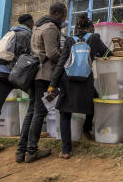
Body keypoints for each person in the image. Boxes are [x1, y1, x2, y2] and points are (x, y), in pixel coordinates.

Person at [47, 13, 110, 159]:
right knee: (94, 99)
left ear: (76, 29)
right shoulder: (94, 38)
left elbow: (61, 63)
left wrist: (52, 85)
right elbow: (108, 52)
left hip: (67, 80)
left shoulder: (70, 40)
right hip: (85, 81)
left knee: (65, 113)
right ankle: (86, 129)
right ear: (90, 28)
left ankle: (66, 150)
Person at [18, 1, 66, 163]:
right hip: (43, 75)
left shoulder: (38, 26)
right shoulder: (51, 27)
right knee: (39, 112)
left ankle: (21, 151)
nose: (63, 19)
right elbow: (52, 54)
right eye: (64, 16)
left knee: (31, 111)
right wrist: (65, 59)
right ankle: (32, 151)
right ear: (58, 14)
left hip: (32, 74)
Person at [0, 13, 34, 156]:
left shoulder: (10, 33)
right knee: (35, 98)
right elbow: (25, 57)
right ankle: (32, 131)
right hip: (13, 74)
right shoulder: (26, 35)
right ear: (30, 23)